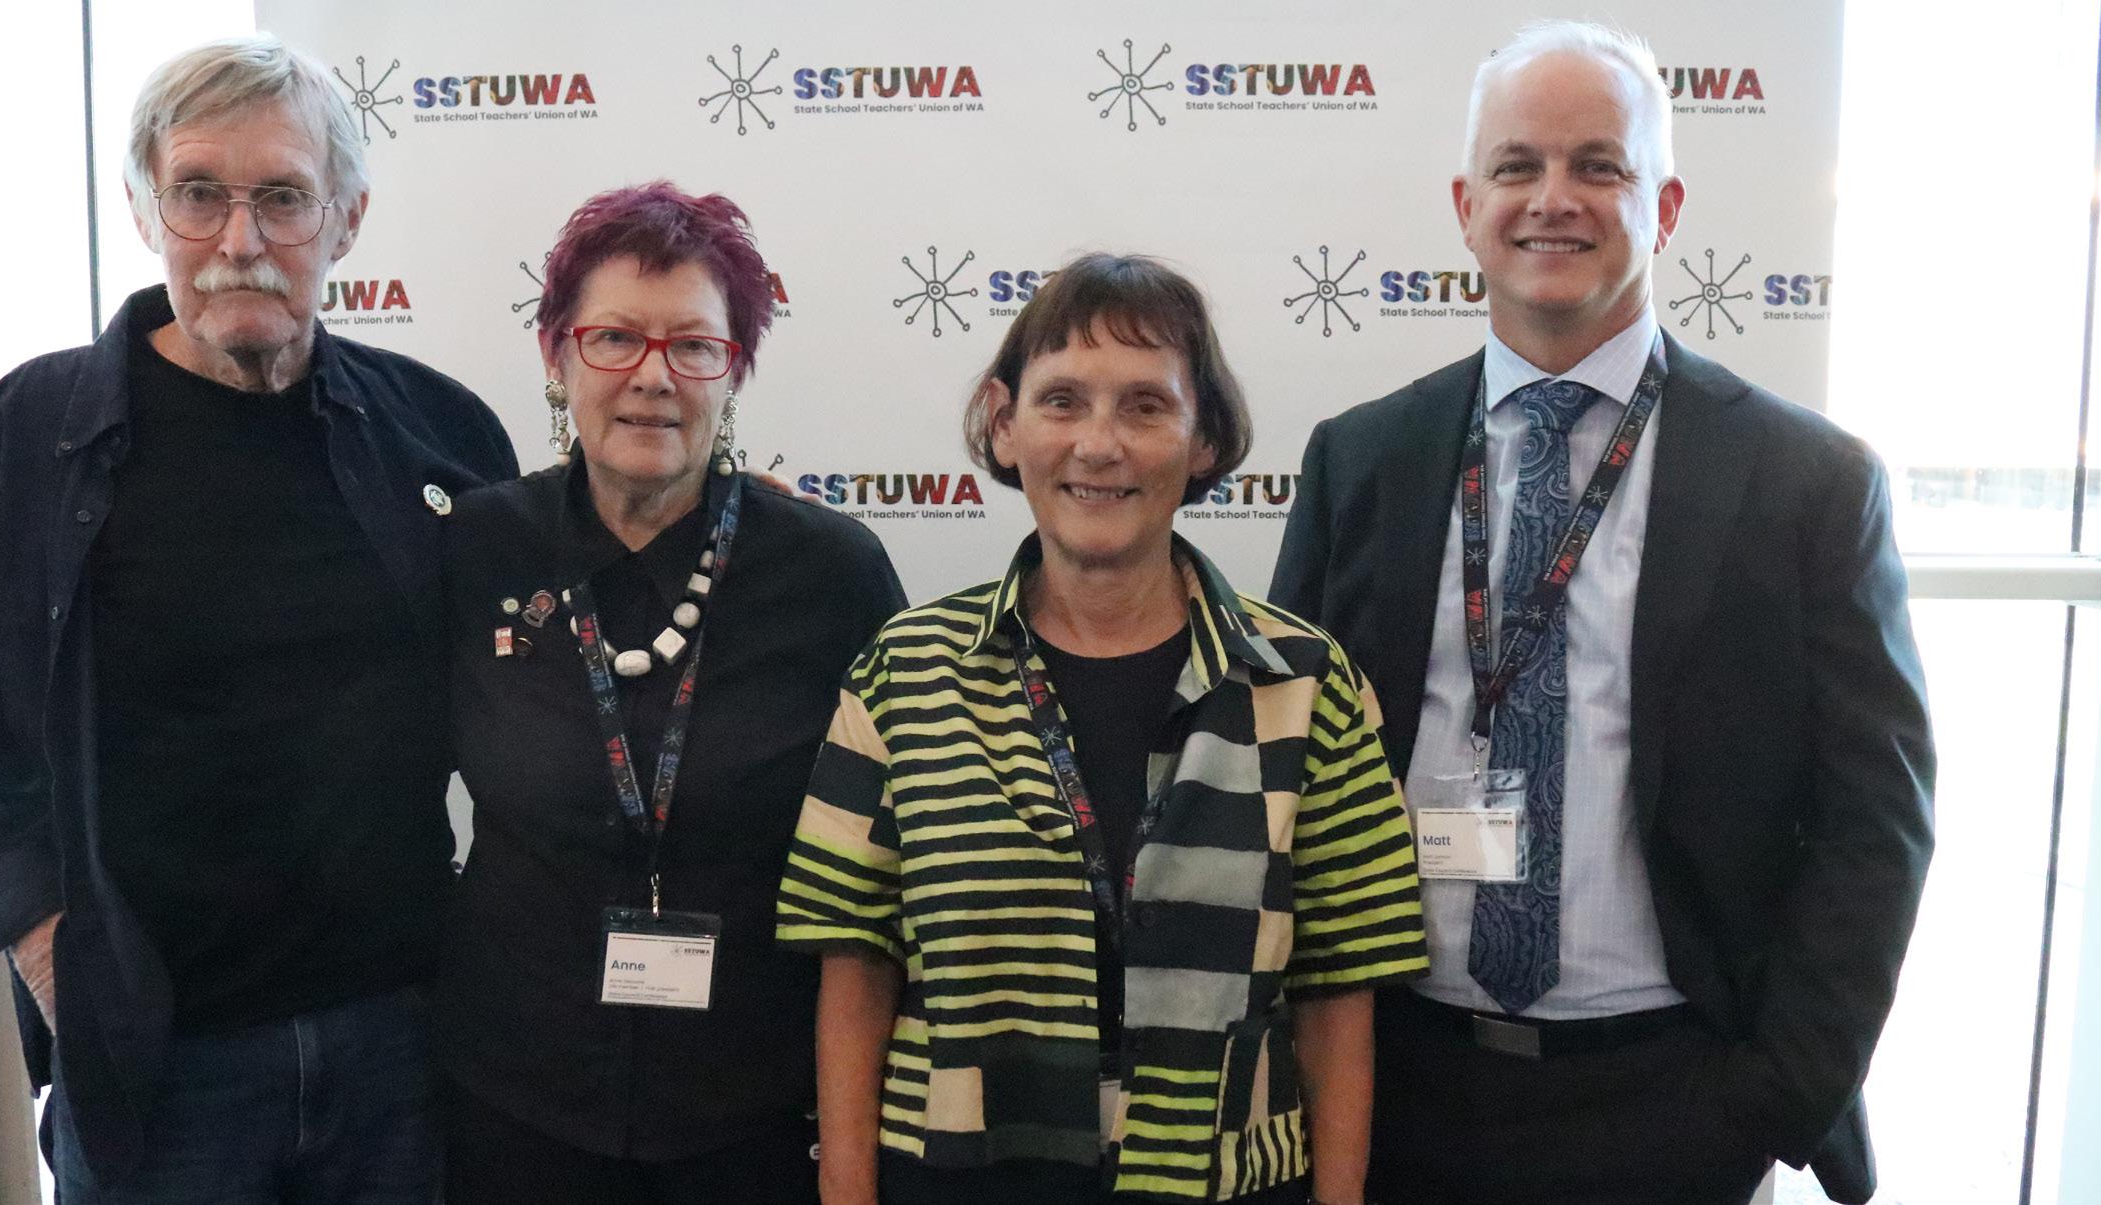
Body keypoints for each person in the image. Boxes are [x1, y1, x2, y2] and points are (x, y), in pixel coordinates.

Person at [1270, 20, 1936, 1205]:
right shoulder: (1359, 460)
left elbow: (1874, 816)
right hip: (1397, 1087)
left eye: (1597, 166)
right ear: (1466, 206)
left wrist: (1774, 1091)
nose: (1552, 200)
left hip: (1672, 1098)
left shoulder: (1807, 481)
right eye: (1515, 166)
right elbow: (1282, 775)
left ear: (1663, 206)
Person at [0, 35, 518, 1201]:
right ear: (145, 209)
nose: (240, 240)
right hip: (159, 1064)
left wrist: (723, 516)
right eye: (199, 193)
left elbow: (555, 634)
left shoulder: (436, 433)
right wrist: (54, 961)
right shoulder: (37, 434)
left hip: (398, 1046)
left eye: (282, 197)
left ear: (345, 220)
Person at [779, 253, 1428, 1205]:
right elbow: (855, 966)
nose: (1099, 443)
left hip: (1223, 1181)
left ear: (1205, 438)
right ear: (1005, 425)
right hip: (960, 1180)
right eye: (1063, 401)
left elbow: (1340, 991)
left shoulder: (1306, 684)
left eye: (1145, 406)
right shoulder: (904, 672)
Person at [432, 180, 905, 1203]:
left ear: (733, 369)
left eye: (693, 345)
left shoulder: (831, 574)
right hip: (515, 1105)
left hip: (755, 1113)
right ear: (556, 354)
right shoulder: (476, 548)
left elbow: (889, 871)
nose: (652, 376)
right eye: (614, 338)